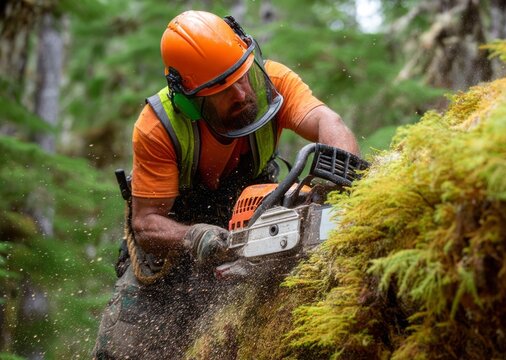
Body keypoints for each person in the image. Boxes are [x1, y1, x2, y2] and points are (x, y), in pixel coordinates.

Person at [92, 9, 359, 360]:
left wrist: (337, 177)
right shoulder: (159, 126)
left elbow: (328, 121)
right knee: (124, 351)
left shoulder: (274, 82)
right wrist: (194, 236)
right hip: (172, 250)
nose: (243, 93)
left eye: (243, 76)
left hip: (252, 223)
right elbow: (145, 224)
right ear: (191, 99)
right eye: (223, 90)